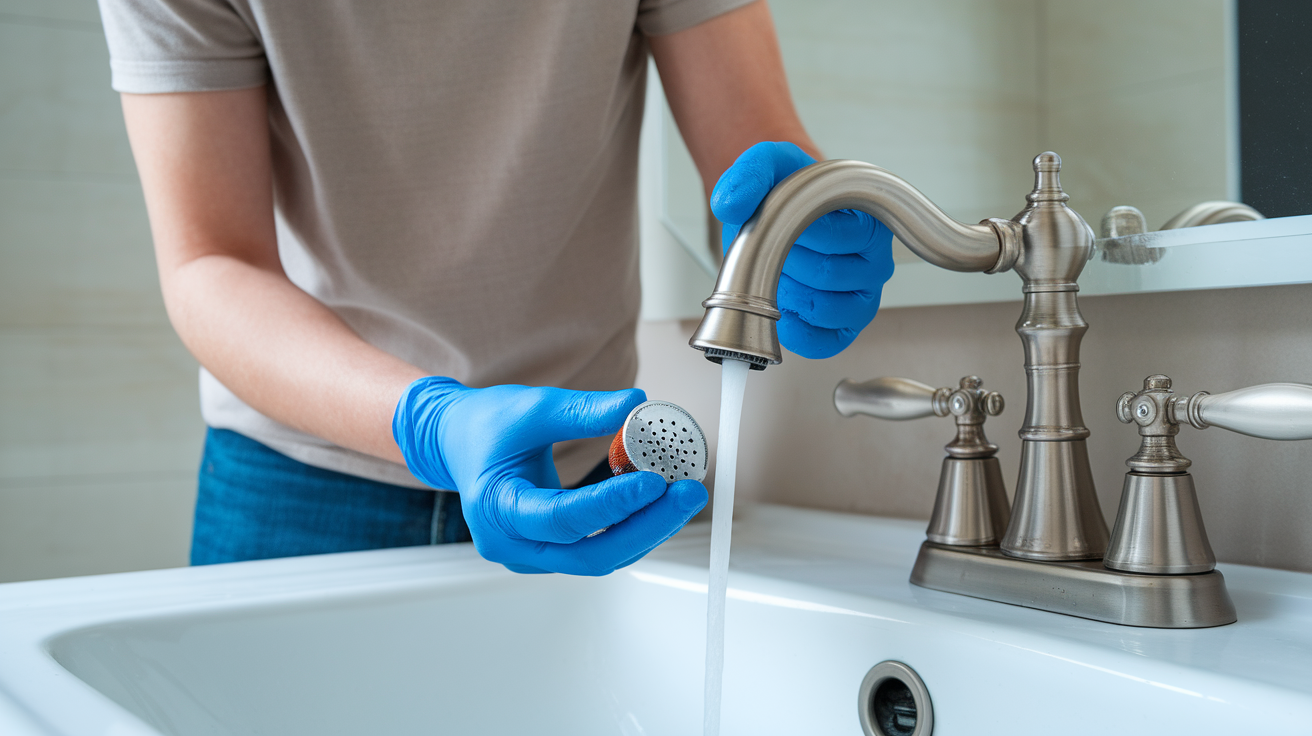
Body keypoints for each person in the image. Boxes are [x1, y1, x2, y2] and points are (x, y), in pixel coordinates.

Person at [98, 0, 895, 575]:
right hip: (298, 481)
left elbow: (749, 164)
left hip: (587, 476)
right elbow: (212, 261)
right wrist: (429, 422)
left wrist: (798, 239)